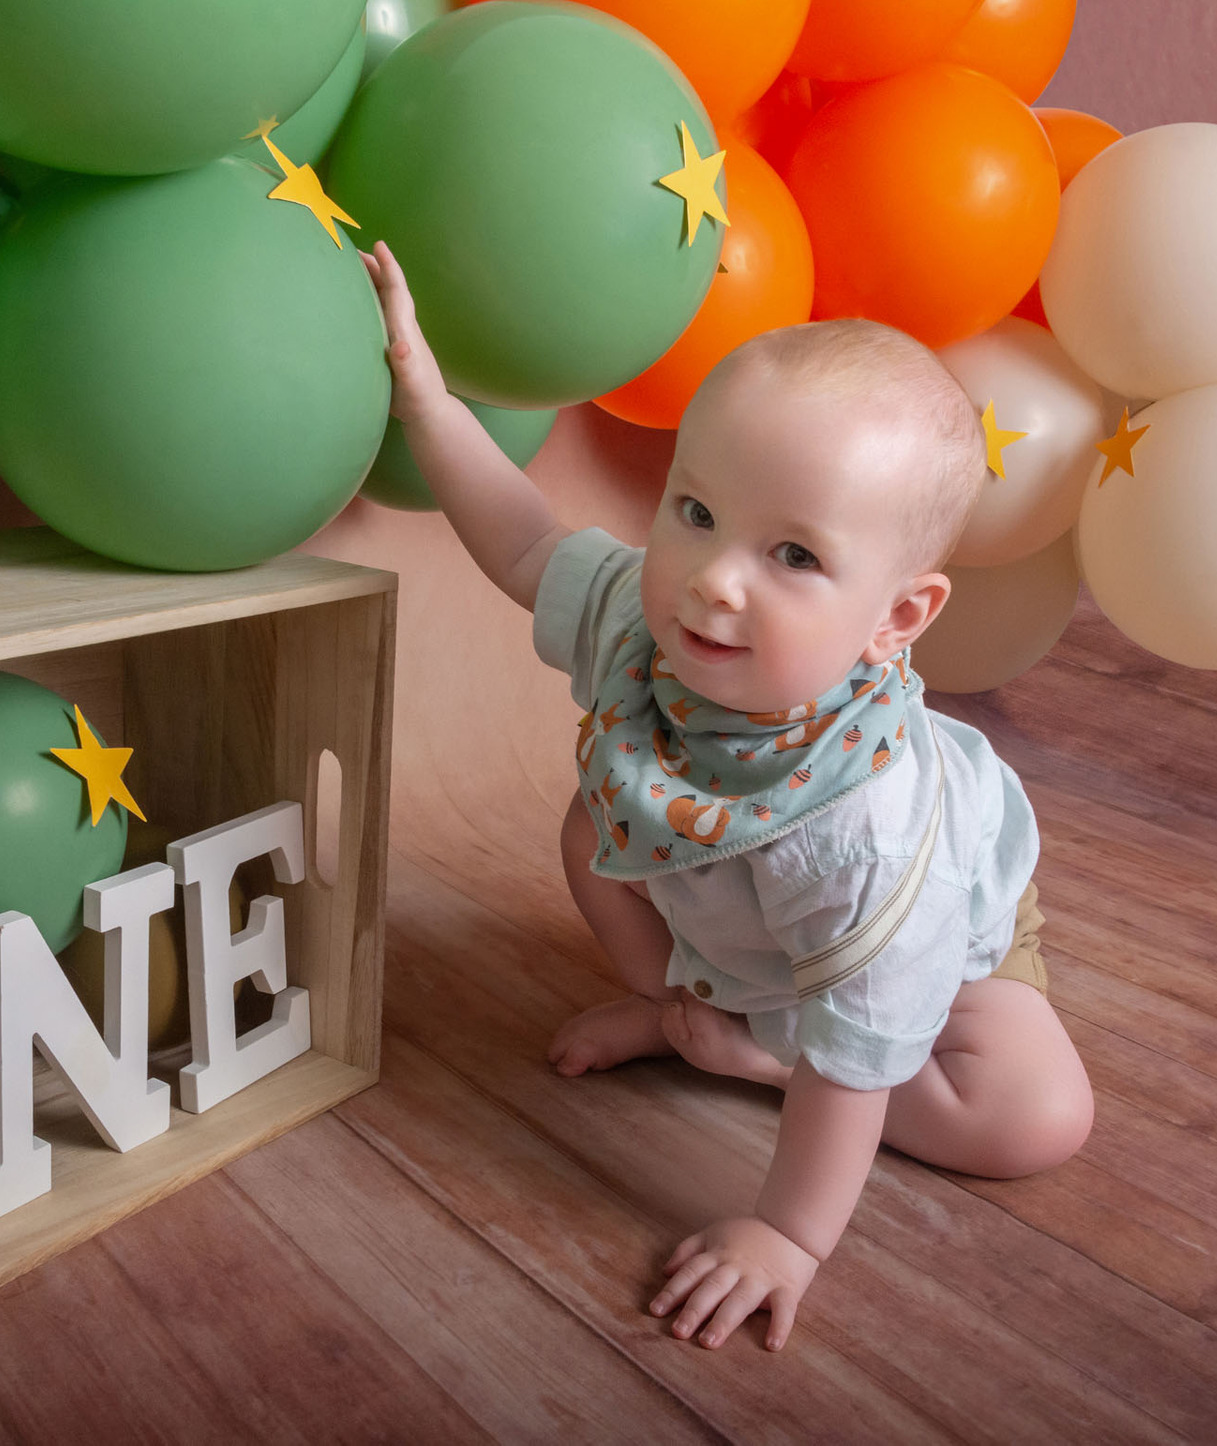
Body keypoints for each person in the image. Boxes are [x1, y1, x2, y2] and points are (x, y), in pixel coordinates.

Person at [360, 240, 1095, 1354]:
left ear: (897, 618)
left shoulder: (873, 832)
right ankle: (693, 1015)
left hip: (941, 957)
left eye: (793, 554)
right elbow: (521, 542)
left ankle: (760, 1049)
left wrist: (788, 1234)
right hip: (724, 888)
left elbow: (859, 1068)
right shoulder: (647, 622)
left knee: (1037, 1117)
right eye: (695, 511)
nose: (714, 576)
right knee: (585, 831)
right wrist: (426, 401)